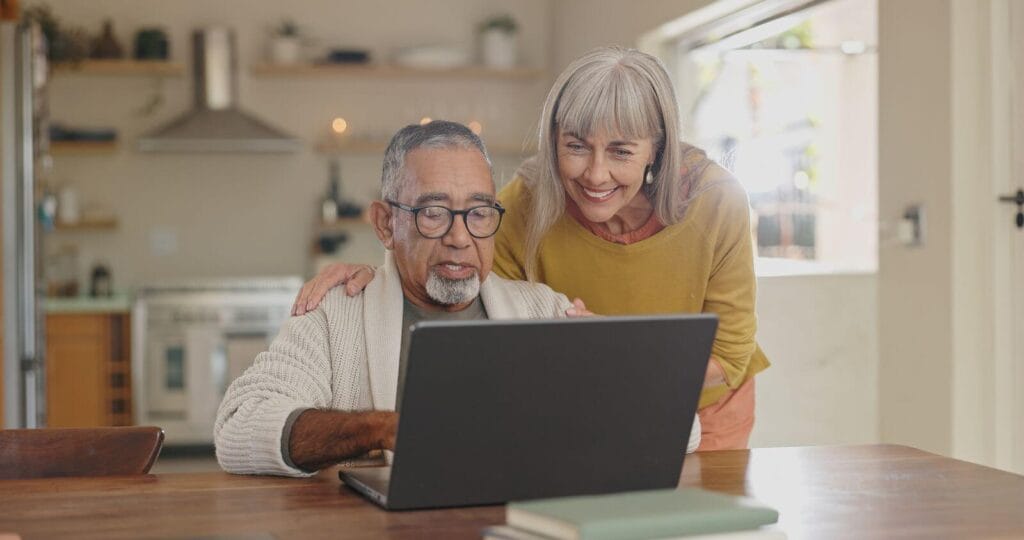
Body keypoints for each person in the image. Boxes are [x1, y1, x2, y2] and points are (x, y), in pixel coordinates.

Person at [291, 47, 771, 452]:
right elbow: (456, 271)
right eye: (576, 146)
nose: (595, 175)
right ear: (553, 139)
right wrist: (384, 270)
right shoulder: (524, 204)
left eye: (622, 152)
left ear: (657, 150)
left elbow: (728, 355)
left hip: (705, 407)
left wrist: (617, 352)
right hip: (592, 402)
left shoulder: (716, 202)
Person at [215, 120, 702, 477]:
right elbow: (238, 429)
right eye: (433, 213)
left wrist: (616, 370)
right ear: (386, 224)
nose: (460, 237)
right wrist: (384, 429)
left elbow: (687, 431)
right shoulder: (335, 313)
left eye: (479, 212)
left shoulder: (543, 311)